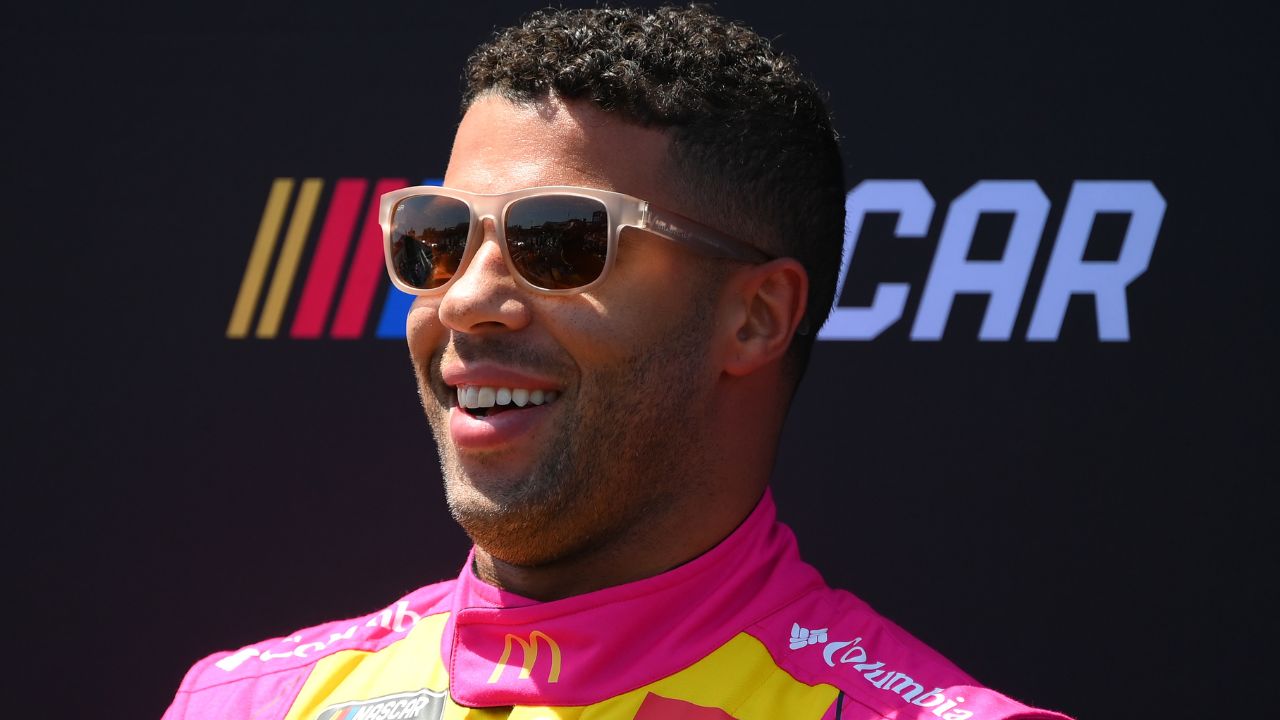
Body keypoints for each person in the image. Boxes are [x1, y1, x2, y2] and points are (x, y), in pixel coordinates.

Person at [164, 6, 1072, 719]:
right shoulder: (248, 706)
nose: (469, 299)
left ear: (756, 318)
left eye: (558, 241)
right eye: (436, 238)